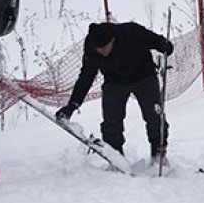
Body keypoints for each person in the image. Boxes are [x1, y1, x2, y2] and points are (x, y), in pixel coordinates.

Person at [58, 21, 174, 159]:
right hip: (115, 82)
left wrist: (166, 46)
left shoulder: (133, 32)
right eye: (98, 49)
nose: (101, 51)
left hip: (144, 76)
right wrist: (72, 105)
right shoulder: (92, 47)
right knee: (111, 121)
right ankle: (115, 155)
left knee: (154, 115)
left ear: (113, 39)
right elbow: (86, 77)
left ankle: (158, 151)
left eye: (104, 47)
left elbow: (159, 42)